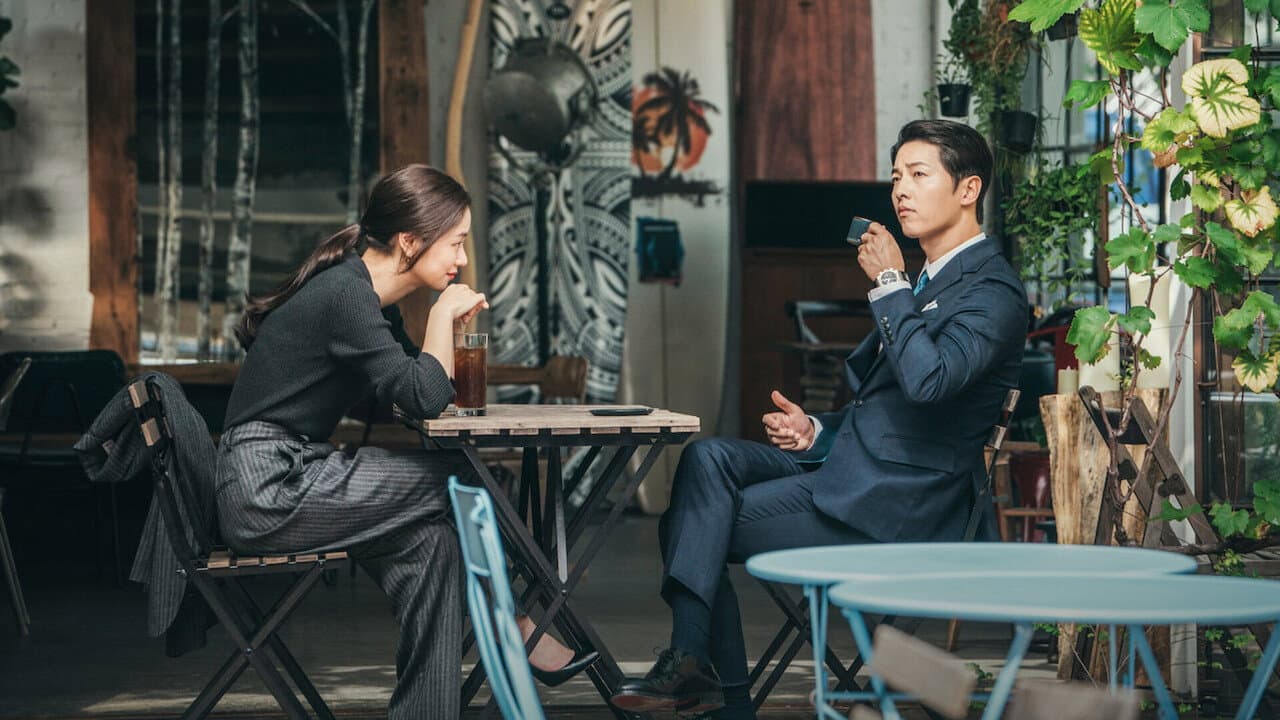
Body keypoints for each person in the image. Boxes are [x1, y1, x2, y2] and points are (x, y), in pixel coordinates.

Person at [610, 120, 1028, 718]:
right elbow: (887, 409)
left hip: (900, 505)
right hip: (855, 472)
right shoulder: (930, 280)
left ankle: (713, 688)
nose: (901, 191)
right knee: (707, 457)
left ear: (968, 189)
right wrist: (816, 430)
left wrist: (889, 282)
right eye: (896, 177)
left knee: (688, 525)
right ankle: (697, 671)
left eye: (918, 175)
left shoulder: (992, 291)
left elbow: (930, 383)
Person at [216, 164, 594, 720]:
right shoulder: (347, 294)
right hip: (267, 488)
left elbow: (409, 391)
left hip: (288, 475)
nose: (462, 258)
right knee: (473, 479)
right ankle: (516, 622)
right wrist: (440, 318)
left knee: (432, 548)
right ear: (410, 241)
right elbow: (422, 396)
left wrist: (437, 355)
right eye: (455, 243)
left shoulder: (369, 302)